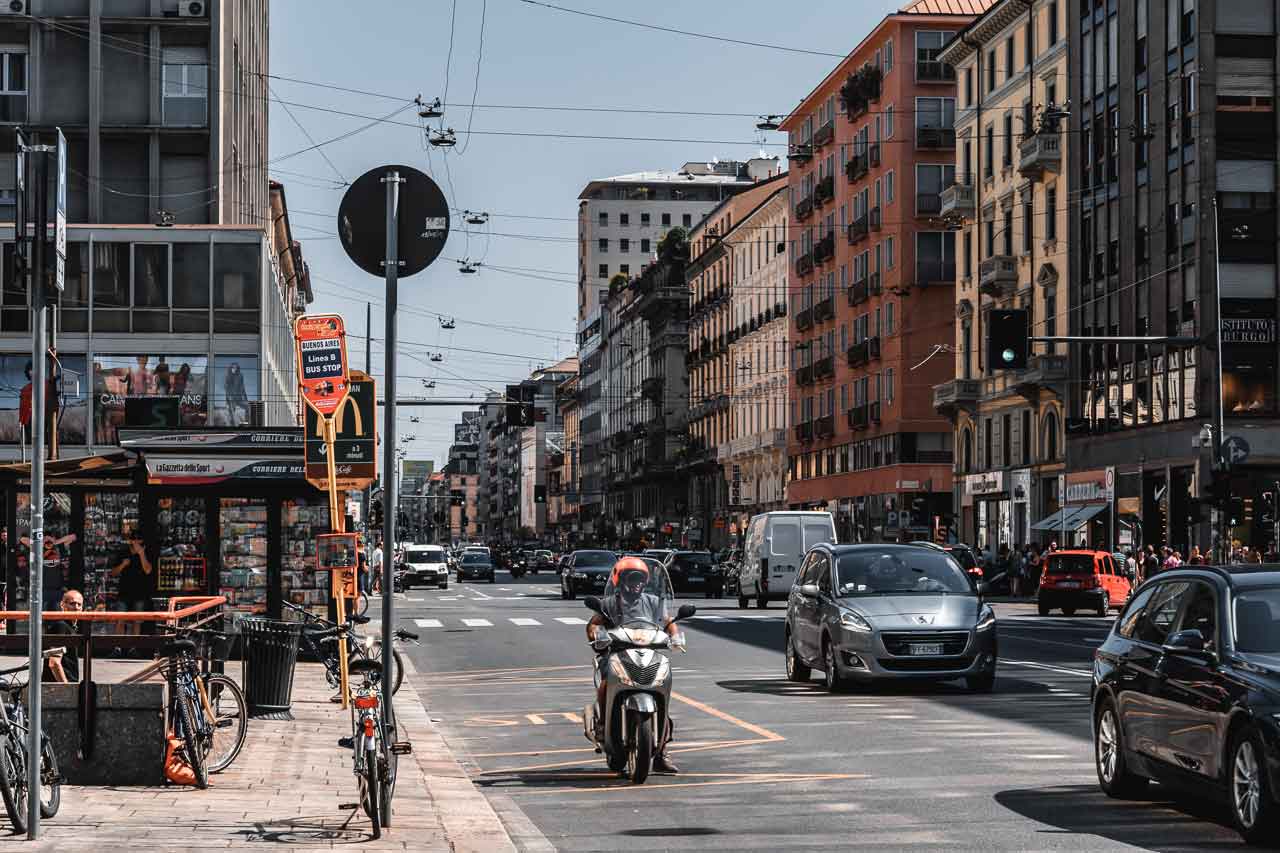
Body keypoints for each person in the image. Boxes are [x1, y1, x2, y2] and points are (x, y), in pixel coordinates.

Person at [584, 557, 681, 773]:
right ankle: (602, 725)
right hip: (617, 652)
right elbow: (594, 624)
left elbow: (668, 622)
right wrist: (597, 636)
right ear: (620, 580)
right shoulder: (610, 602)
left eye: (640, 579)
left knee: (662, 690)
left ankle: (661, 752)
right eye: (631, 578)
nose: (636, 583)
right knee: (606, 684)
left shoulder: (653, 601)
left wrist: (676, 637)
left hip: (648, 651)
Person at [111, 535, 154, 635]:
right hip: (123, 593)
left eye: (139, 539)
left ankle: (134, 647)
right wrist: (122, 565)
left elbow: (148, 570)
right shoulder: (123, 553)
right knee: (120, 620)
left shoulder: (145, 553)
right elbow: (113, 573)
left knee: (137, 622)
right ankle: (118, 647)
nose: (137, 542)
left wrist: (141, 553)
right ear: (131, 541)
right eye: (135, 540)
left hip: (140, 594)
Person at [42, 589, 84, 683]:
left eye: (79, 604)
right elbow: (54, 663)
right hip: (57, 688)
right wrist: (66, 687)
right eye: (72, 603)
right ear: (62, 605)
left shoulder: (71, 627)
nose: (76, 607)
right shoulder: (61, 626)